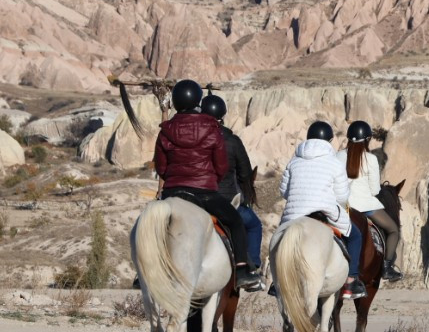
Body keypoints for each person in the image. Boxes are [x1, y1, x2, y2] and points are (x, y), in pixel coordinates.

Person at [153, 80, 262, 291]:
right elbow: (221, 165)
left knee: (150, 224)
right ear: (197, 102)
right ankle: (241, 270)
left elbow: (161, 167)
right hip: (204, 192)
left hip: (173, 192)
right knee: (235, 222)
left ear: (175, 102)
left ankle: (145, 272)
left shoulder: (165, 131)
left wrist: (174, 181)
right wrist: (210, 180)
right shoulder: (212, 129)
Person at [279, 121, 367, 300]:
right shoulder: (334, 163)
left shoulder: (294, 161)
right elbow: (342, 196)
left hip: (295, 213)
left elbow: (284, 192)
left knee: (280, 239)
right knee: (356, 236)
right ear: (329, 140)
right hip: (324, 211)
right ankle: (351, 280)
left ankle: (276, 281)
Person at [203, 92, 264, 279]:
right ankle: (251, 267)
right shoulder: (232, 141)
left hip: (194, 196)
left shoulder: (196, 138)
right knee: (253, 225)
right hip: (225, 199)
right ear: (223, 115)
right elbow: (246, 174)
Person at [336, 120, 403, 282]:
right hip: (365, 207)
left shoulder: (338, 156)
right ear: (367, 140)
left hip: (342, 206)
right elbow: (375, 191)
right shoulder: (371, 159)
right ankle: (387, 267)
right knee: (393, 230)